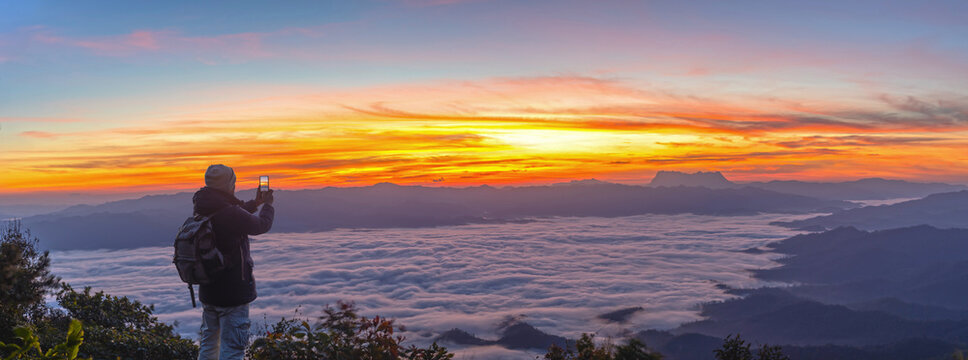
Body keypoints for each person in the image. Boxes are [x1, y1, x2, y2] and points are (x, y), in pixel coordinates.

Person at [193, 164, 274, 360]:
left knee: (209, 344)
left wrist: (254, 203)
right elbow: (260, 225)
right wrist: (268, 205)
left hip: (209, 292)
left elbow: (234, 216)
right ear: (229, 184)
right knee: (233, 349)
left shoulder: (203, 206)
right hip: (232, 294)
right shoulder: (228, 213)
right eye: (233, 182)